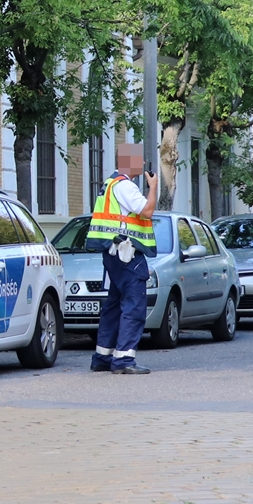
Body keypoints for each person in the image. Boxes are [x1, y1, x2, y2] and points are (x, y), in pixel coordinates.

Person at [85, 143, 159, 374]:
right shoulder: (125, 186)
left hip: (113, 253)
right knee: (134, 306)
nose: (143, 163)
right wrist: (153, 187)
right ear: (129, 161)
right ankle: (124, 360)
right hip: (127, 254)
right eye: (139, 159)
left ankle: (103, 357)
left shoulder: (109, 184)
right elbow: (147, 211)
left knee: (114, 306)